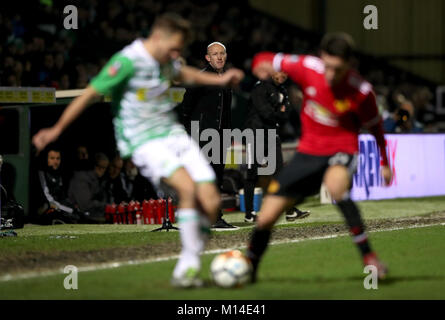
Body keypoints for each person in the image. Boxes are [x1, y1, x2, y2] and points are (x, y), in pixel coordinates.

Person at [32, 13, 244, 288]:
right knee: (188, 189)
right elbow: (89, 93)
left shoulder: (166, 58)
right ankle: (187, 268)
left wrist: (220, 80)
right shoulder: (126, 61)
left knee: (212, 198)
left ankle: (193, 253)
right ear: (158, 37)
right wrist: (56, 129)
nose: (176, 54)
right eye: (174, 48)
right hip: (143, 140)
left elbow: (184, 72)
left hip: (171, 133)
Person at [247, 32, 393, 282]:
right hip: (308, 152)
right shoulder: (307, 67)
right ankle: (248, 267)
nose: (330, 74)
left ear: (350, 63)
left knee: (336, 187)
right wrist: (257, 66)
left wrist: (385, 162)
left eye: (337, 68)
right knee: (267, 216)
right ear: (321, 58)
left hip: (342, 147)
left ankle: (369, 257)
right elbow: (264, 57)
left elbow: (376, 127)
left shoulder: (362, 92)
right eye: (327, 66)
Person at [180, 41, 236, 229]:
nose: (219, 57)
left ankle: (214, 217)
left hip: (221, 136)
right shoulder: (201, 78)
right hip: (202, 135)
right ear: (207, 57)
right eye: (215, 54)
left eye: (222, 53)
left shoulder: (226, 79)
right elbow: (186, 108)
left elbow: (226, 111)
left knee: (217, 177)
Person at [243, 71, 310, 223]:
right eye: (279, 72)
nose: (282, 76)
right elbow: (266, 113)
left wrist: (279, 112)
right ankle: (249, 213)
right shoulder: (260, 88)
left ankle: (290, 211)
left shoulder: (282, 90)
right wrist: (279, 110)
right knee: (252, 174)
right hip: (255, 134)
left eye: (285, 74)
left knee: (280, 174)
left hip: (272, 134)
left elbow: (286, 115)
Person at [36, 147, 81, 224]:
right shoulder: (41, 173)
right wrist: (70, 210)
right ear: (46, 159)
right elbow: (48, 199)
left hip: (59, 206)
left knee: (77, 213)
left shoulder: (59, 174)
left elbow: (62, 196)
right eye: (52, 158)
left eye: (58, 158)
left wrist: (73, 206)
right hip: (47, 206)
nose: (55, 161)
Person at [68, 152, 110, 223]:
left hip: (90, 215)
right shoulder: (81, 179)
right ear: (94, 165)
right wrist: (106, 206)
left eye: (104, 168)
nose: (102, 170)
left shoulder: (98, 180)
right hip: (75, 218)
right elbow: (84, 205)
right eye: (100, 167)